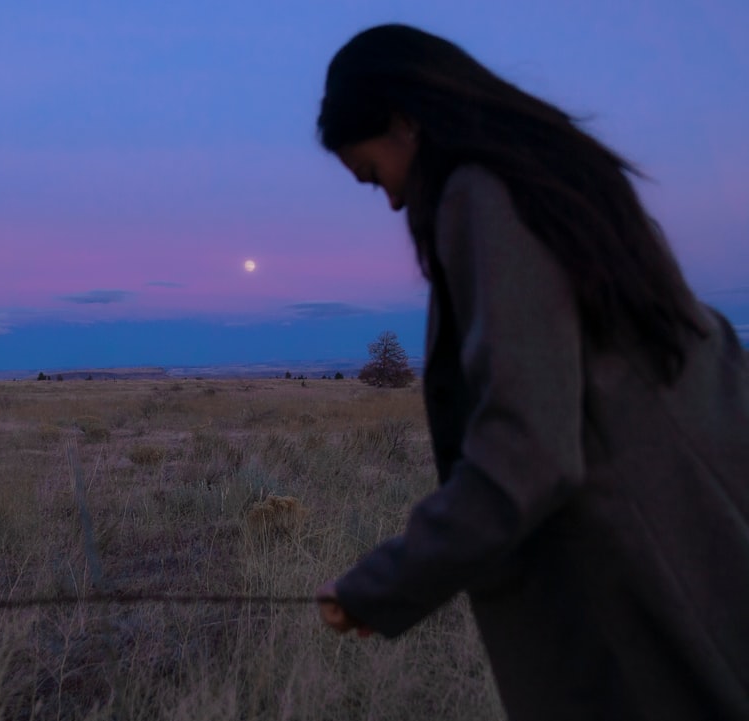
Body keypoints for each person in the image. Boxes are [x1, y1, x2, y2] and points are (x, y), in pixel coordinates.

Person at [313, 24, 749, 721]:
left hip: (640, 576)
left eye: (372, 175)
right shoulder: (561, 179)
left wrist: (381, 584)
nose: (392, 201)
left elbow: (527, 450)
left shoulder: (481, 195)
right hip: (705, 538)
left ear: (403, 121)